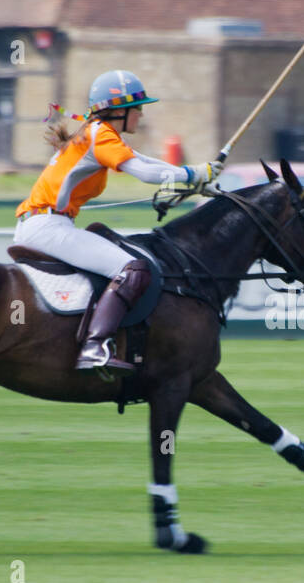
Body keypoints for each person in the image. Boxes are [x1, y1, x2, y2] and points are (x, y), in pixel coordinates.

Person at [17, 70, 221, 376]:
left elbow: (149, 162)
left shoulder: (99, 134)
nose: (141, 113)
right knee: (132, 269)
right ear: (118, 110)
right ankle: (94, 346)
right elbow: (146, 173)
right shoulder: (100, 135)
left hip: (45, 224)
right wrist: (193, 175)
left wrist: (196, 176)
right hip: (47, 227)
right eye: (137, 107)